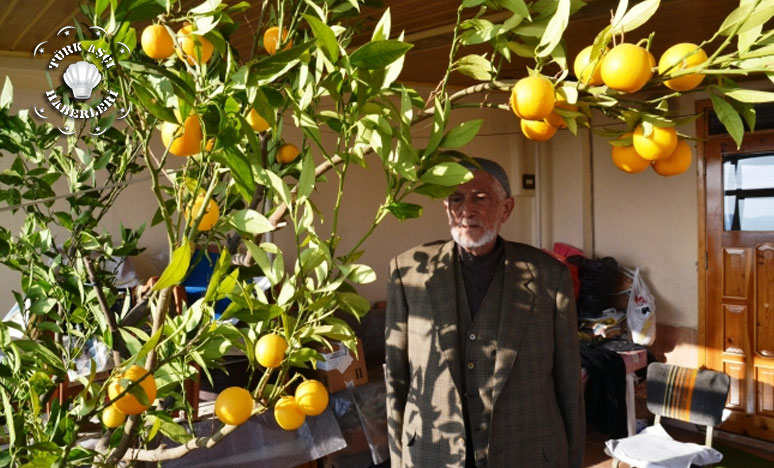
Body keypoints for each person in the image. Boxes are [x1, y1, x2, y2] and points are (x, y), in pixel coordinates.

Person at [385, 158, 585, 468]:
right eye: (456, 198)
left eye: (480, 197)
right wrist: (398, 459)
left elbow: (569, 381)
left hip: (527, 451)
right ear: (446, 207)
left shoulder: (549, 276)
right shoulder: (409, 271)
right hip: (433, 451)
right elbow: (396, 377)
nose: (467, 209)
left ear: (506, 208)